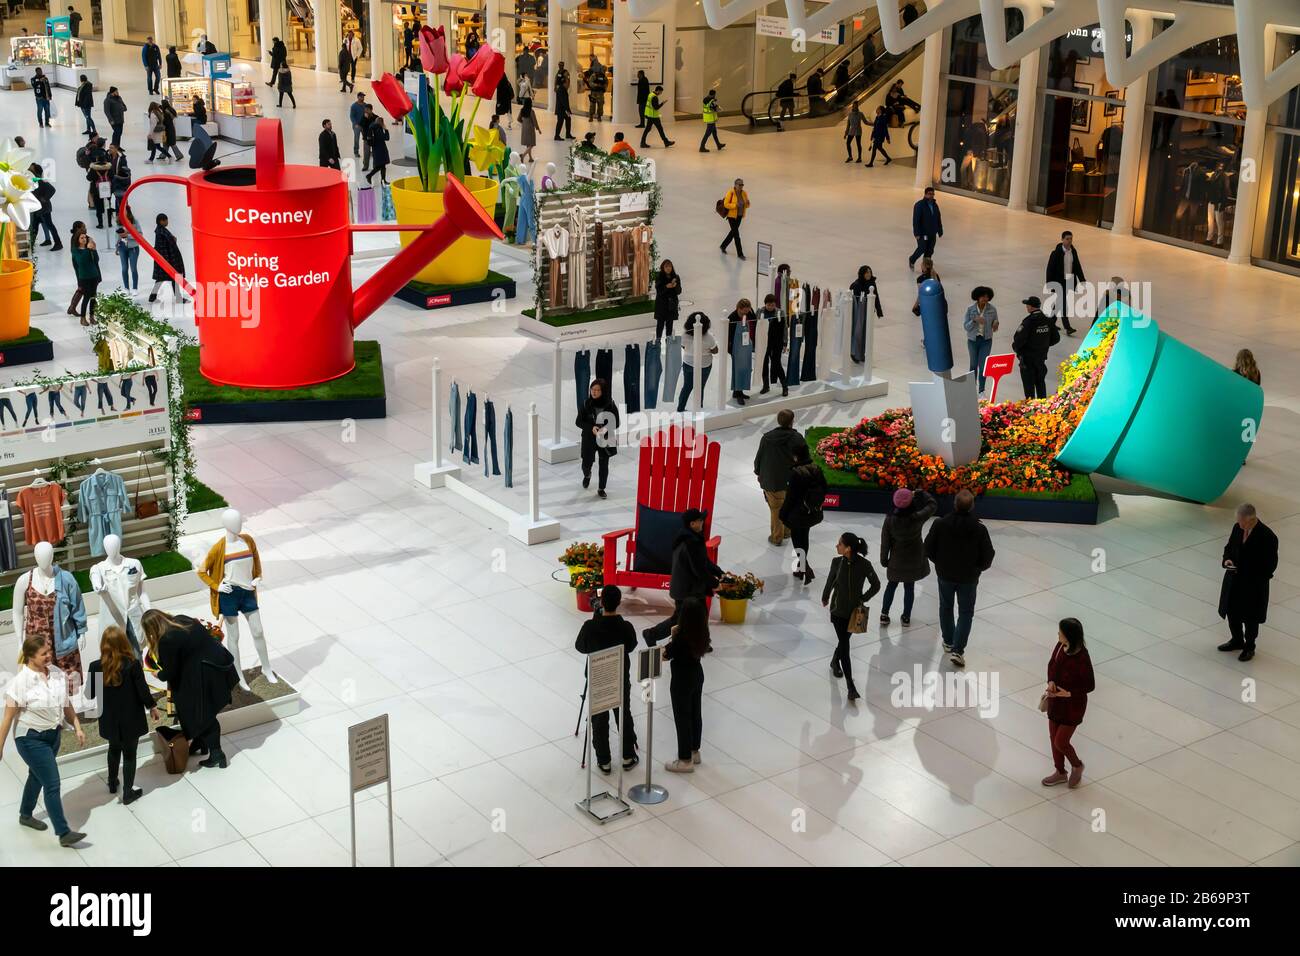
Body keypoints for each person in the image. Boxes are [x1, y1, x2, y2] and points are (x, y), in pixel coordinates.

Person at [0, 635, 88, 847]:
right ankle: (64, 832)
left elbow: (66, 704)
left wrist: (76, 726)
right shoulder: (20, 683)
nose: (49, 655)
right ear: (30, 656)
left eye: (49, 651)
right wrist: (0, 747)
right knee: (52, 783)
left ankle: (25, 814)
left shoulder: (57, 673)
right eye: (44, 654)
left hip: (53, 735)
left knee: (36, 776)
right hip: (30, 739)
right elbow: (8, 717)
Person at [141, 610, 238, 768]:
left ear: (151, 629)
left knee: (203, 716)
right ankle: (201, 743)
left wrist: (158, 674)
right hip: (216, 667)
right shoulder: (184, 619)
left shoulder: (167, 640)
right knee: (202, 712)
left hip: (202, 676)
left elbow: (170, 672)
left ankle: (217, 754)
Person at [85, 626, 159, 805]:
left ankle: (112, 782)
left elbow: (89, 694)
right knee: (130, 754)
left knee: (113, 748)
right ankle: (127, 792)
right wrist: (152, 707)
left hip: (108, 719)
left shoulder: (95, 666)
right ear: (123, 643)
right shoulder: (132, 664)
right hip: (130, 718)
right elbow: (142, 691)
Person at [925, 489, 995, 667]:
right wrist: (978, 569)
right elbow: (988, 555)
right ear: (972, 506)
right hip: (969, 578)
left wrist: (939, 563)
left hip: (945, 575)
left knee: (946, 607)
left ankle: (948, 641)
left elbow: (928, 548)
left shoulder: (940, 524)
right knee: (965, 612)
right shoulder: (979, 528)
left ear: (954, 504)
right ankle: (958, 650)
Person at [574, 586, 638, 773]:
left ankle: (604, 760)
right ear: (619, 602)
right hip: (619, 677)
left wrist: (596, 620)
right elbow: (632, 646)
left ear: (601, 603)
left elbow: (580, 647)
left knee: (599, 718)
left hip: (598, 677)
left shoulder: (590, 627)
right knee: (623, 714)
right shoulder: (625, 627)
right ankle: (627, 756)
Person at [821, 532, 881, 701]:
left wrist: (863, 598)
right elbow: (830, 581)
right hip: (838, 611)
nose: (836, 546)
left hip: (855, 613)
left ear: (848, 548)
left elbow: (876, 585)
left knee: (843, 641)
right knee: (845, 645)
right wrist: (825, 596)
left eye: (839, 544)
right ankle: (850, 685)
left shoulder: (864, 565)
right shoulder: (836, 562)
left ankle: (834, 661)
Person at [1217, 503, 1278, 662]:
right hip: (1234, 581)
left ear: (1251, 520)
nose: (1239, 524)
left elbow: (1270, 566)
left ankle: (1249, 646)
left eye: (1242, 521)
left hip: (1253, 586)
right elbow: (1229, 547)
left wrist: (1247, 572)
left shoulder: (1268, 537)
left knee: (1250, 617)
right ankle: (1237, 640)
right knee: (1232, 611)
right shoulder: (1237, 528)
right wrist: (1227, 560)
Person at [1041, 618, 1094, 789]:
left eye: (1061, 632)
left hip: (1073, 706)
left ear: (1069, 635)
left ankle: (1077, 765)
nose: (1058, 634)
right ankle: (1060, 772)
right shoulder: (1059, 647)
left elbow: (1089, 685)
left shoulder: (1082, 658)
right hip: (1056, 702)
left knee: (1061, 741)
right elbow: (1051, 665)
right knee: (1053, 738)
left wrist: (1068, 693)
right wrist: (1050, 682)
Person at [663, 596, 711, 772]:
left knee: (682, 717)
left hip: (682, 679)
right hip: (697, 674)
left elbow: (665, 655)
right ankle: (694, 750)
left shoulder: (681, 638)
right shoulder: (702, 632)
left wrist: (672, 638)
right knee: (695, 712)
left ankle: (684, 760)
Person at [879, 488, 937, 626]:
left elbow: (885, 543)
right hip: (914, 561)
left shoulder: (889, 521)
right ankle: (906, 617)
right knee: (909, 588)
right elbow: (932, 505)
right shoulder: (918, 517)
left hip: (895, 561)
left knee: (891, 586)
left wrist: (884, 560)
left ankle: (884, 614)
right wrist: (922, 493)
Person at [754, 408, 805, 546]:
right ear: (792, 422)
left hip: (772, 481)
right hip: (792, 481)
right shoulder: (797, 438)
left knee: (776, 509)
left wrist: (758, 472)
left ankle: (777, 537)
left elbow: (759, 458)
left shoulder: (767, 438)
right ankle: (787, 532)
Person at [782, 443, 826, 583]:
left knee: (797, 540)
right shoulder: (816, 469)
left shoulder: (796, 473)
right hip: (812, 512)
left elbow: (790, 498)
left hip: (797, 514)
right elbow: (825, 488)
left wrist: (783, 514)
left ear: (796, 456)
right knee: (804, 537)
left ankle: (804, 567)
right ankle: (801, 568)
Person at [576, 378, 618, 499]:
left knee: (604, 464)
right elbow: (578, 421)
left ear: (603, 391)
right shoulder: (585, 404)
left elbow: (616, 422)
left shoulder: (610, 404)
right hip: (589, 438)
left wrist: (604, 429)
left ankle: (601, 489)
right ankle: (587, 475)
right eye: (592, 389)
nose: (594, 392)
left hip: (605, 437)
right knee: (586, 463)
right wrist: (591, 428)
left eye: (597, 390)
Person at [1012, 295, 1059, 399]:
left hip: (1027, 360)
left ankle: (1030, 409)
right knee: (1040, 382)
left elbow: (1018, 340)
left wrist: (1018, 350)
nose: (1026, 307)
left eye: (1027, 305)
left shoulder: (1028, 322)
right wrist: (1044, 345)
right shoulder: (1048, 320)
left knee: (1029, 387)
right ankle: (1042, 407)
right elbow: (1056, 338)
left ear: (1030, 307)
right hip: (1041, 358)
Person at [677, 312, 718, 412]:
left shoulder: (685, 335)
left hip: (688, 363)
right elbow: (715, 350)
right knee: (700, 388)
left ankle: (680, 408)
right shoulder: (709, 337)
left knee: (686, 387)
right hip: (704, 365)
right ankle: (698, 408)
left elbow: (682, 346)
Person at [1045, 229, 1084, 335]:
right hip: (1059, 282)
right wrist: (1049, 284)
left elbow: (1077, 266)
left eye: (1071, 239)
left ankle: (1050, 323)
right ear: (1062, 239)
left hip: (1069, 281)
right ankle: (1067, 327)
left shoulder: (1073, 252)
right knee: (1063, 304)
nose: (1069, 241)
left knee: (1059, 303)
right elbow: (1050, 269)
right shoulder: (1056, 253)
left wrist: (1082, 280)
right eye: (1067, 239)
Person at [964, 286, 999, 394]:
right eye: (982, 296)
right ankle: (971, 388)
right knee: (973, 365)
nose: (985, 298)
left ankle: (981, 391)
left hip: (986, 341)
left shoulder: (992, 309)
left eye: (987, 297)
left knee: (983, 366)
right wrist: (974, 320)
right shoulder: (970, 309)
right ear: (977, 297)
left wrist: (995, 324)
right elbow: (966, 326)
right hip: (973, 340)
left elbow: (996, 323)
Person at [147, 213, 186, 302]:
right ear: (161, 221)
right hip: (168, 260)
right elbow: (163, 248)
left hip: (165, 260)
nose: (167, 222)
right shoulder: (161, 232)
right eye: (166, 220)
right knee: (173, 278)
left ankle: (152, 297)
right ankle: (178, 298)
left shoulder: (161, 231)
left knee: (161, 279)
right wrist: (168, 263)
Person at [757, 293, 788, 397]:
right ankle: (766, 386)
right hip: (763, 342)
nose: (770, 307)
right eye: (769, 305)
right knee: (764, 364)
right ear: (765, 304)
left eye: (773, 305)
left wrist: (785, 343)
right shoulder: (760, 311)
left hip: (777, 343)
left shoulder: (780, 312)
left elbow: (785, 328)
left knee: (777, 364)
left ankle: (785, 386)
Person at [726, 298, 756, 404]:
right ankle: (738, 393)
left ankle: (738, 391)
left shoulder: (749, 314)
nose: (746, 313)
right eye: (745, 310)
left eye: (748, 310)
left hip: (745, 345)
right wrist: (730, 350)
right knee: (738, 370)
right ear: (739, 308)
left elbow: (755, 320)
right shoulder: (732, 318)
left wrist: (750, 311)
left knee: (745, 368)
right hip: (735, 347)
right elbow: (728, 336)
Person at [28, 164, 61, 251]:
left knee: (49, 226)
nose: (29, 169)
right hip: (37, 209)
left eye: (31, 169)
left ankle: (58, 243)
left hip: (44, 209)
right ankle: (30, 247)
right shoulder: (33, 180)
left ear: (35, 171)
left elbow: (52, 189)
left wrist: (44, 199)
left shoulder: (40, 180)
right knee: (34, 227)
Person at [71, 233, 101, 326]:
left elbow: (96, 260)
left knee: (93, 297)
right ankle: (82, 318)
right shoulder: (75, 250)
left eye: (85, 237)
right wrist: (88, 249)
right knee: (86, 297)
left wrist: (94, 250)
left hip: (94, 275)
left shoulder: (90, 249)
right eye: (82, 238)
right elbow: (81, 261)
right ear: (78, 239)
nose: (84, 239)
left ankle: (92, 316)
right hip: (84, 277)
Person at [909, 185, 943, 269]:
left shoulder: (935, 205)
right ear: (925, 194)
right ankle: (912, 259)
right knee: (922, 248)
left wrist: (940, 229)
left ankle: (926, 267)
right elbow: (916, 220)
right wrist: (916, 233)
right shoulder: (919, 205)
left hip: (932, 233)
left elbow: (938, 218)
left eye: (932, 194)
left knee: (930, 250)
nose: (931, 196)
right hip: (923, 233)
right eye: (929, 194)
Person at [720, 178, 749, 259]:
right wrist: (735, 205)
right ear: (735, 185)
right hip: (731, 216)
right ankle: (740, 254)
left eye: (742, 184)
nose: (741, 186)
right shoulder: (730, 193)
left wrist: (747, 204)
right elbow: (726, 204)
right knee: (736, 235)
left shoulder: (744, 193)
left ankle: (723, 246)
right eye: (740, 185)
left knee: (732, 233)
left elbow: (746, 205)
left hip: (739, 216)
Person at [654, 260, 681, 339]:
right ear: (663, 268)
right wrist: (666, 287)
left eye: (670, 266)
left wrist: (675, 286)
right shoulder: (659, 277)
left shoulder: (676, 277)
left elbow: (679, 291)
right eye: (666, 266)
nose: (668, 268)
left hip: (671, 305)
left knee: (670, 325)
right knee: (660, 325)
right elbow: (659, 291)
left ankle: (668, 342)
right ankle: (658, 341)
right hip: (661, 305)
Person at [115, 209, 141, 292]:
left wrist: (128, 235)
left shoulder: (135, 222)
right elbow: (117, 236)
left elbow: (140, 234)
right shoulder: (119, 222)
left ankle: (135, 288)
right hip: (122, 247)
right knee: (124, 268)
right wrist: (116, 247)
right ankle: (126, 288)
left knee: (133, 268)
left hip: (133, 247)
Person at [553, 62, 573, 140]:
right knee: (561, 121)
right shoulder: (562, 90)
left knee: (567, 119)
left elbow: (555, 80)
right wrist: (567, 110)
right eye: (567, 83)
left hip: (561, 109)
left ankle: (567, 134)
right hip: (562, 109)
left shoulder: (559, 73)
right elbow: (564, 101)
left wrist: (555, 87)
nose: (568, 85)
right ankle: (557, 135)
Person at [517, 97, 540, 163]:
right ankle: (523, 155)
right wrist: (538, 128)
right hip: (530, 129)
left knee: (528, 144)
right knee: (531, 144)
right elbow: (534, 121)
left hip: (524, 128)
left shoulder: (522, 110)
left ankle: (530, 158)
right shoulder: (531, 111)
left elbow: (518, 119)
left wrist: (523, 122)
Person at [585, 55, 607, 121]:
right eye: (603, 70)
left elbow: (606, 83)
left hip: (600, 93)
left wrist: (603, 87)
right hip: (594, 92)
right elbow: (590, 82)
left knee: (600, 106)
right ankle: (591, 116)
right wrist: (596, 85)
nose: (604, 71)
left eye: (604, 70)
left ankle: (599, 116)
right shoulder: (594, 75)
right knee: (592, 105)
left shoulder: (604, 77)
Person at [350, 92, 370, 164]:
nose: (363, 98)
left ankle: (368, 151)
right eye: (361, 97)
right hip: (357, 126)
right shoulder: (354, 106)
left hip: (364, 125)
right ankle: (356, 152)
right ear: (358, 97)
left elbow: (368, 113)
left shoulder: (365, 105)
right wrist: (355, 124)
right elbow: (352, 116)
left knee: (366, 138)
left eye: (363, 97)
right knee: (356, 139)